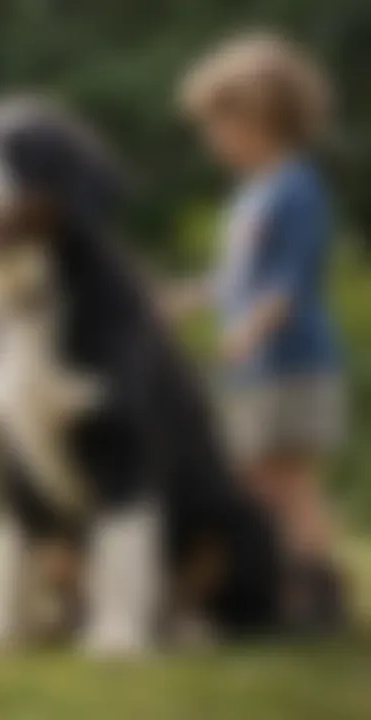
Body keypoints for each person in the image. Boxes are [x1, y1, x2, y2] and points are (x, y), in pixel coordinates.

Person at [176, 33, 345, 628]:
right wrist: (184, 300)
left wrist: (246, 331)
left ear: (262, 119)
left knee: (287, 480)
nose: (212, 139)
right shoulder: (250, 196)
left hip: (291, 362)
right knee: (254, 477)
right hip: (256, 366)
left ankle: (320, 595)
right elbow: (235, 277)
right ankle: (279, 588)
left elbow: (288, 281)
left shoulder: (296, 188)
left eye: (221, 123)